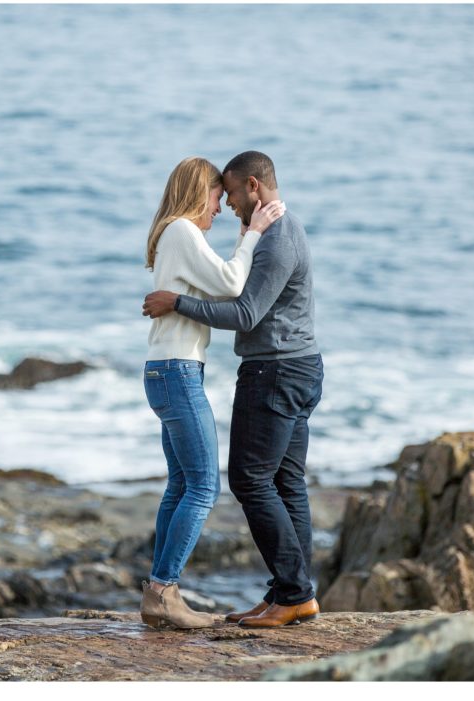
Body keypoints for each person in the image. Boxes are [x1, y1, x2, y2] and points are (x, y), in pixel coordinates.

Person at [143, 151, 324, 628]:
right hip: (286, 369)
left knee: (244, 481)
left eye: (230, 194)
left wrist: (177, 301)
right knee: (282, 483)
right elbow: (233, 286)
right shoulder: (275, 234)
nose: (225, 208)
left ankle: (293, 593)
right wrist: (249, 239)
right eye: (215, 195)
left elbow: (243, 311)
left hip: (276, 373)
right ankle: (290, 593)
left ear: (253, 187)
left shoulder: (275, 239)